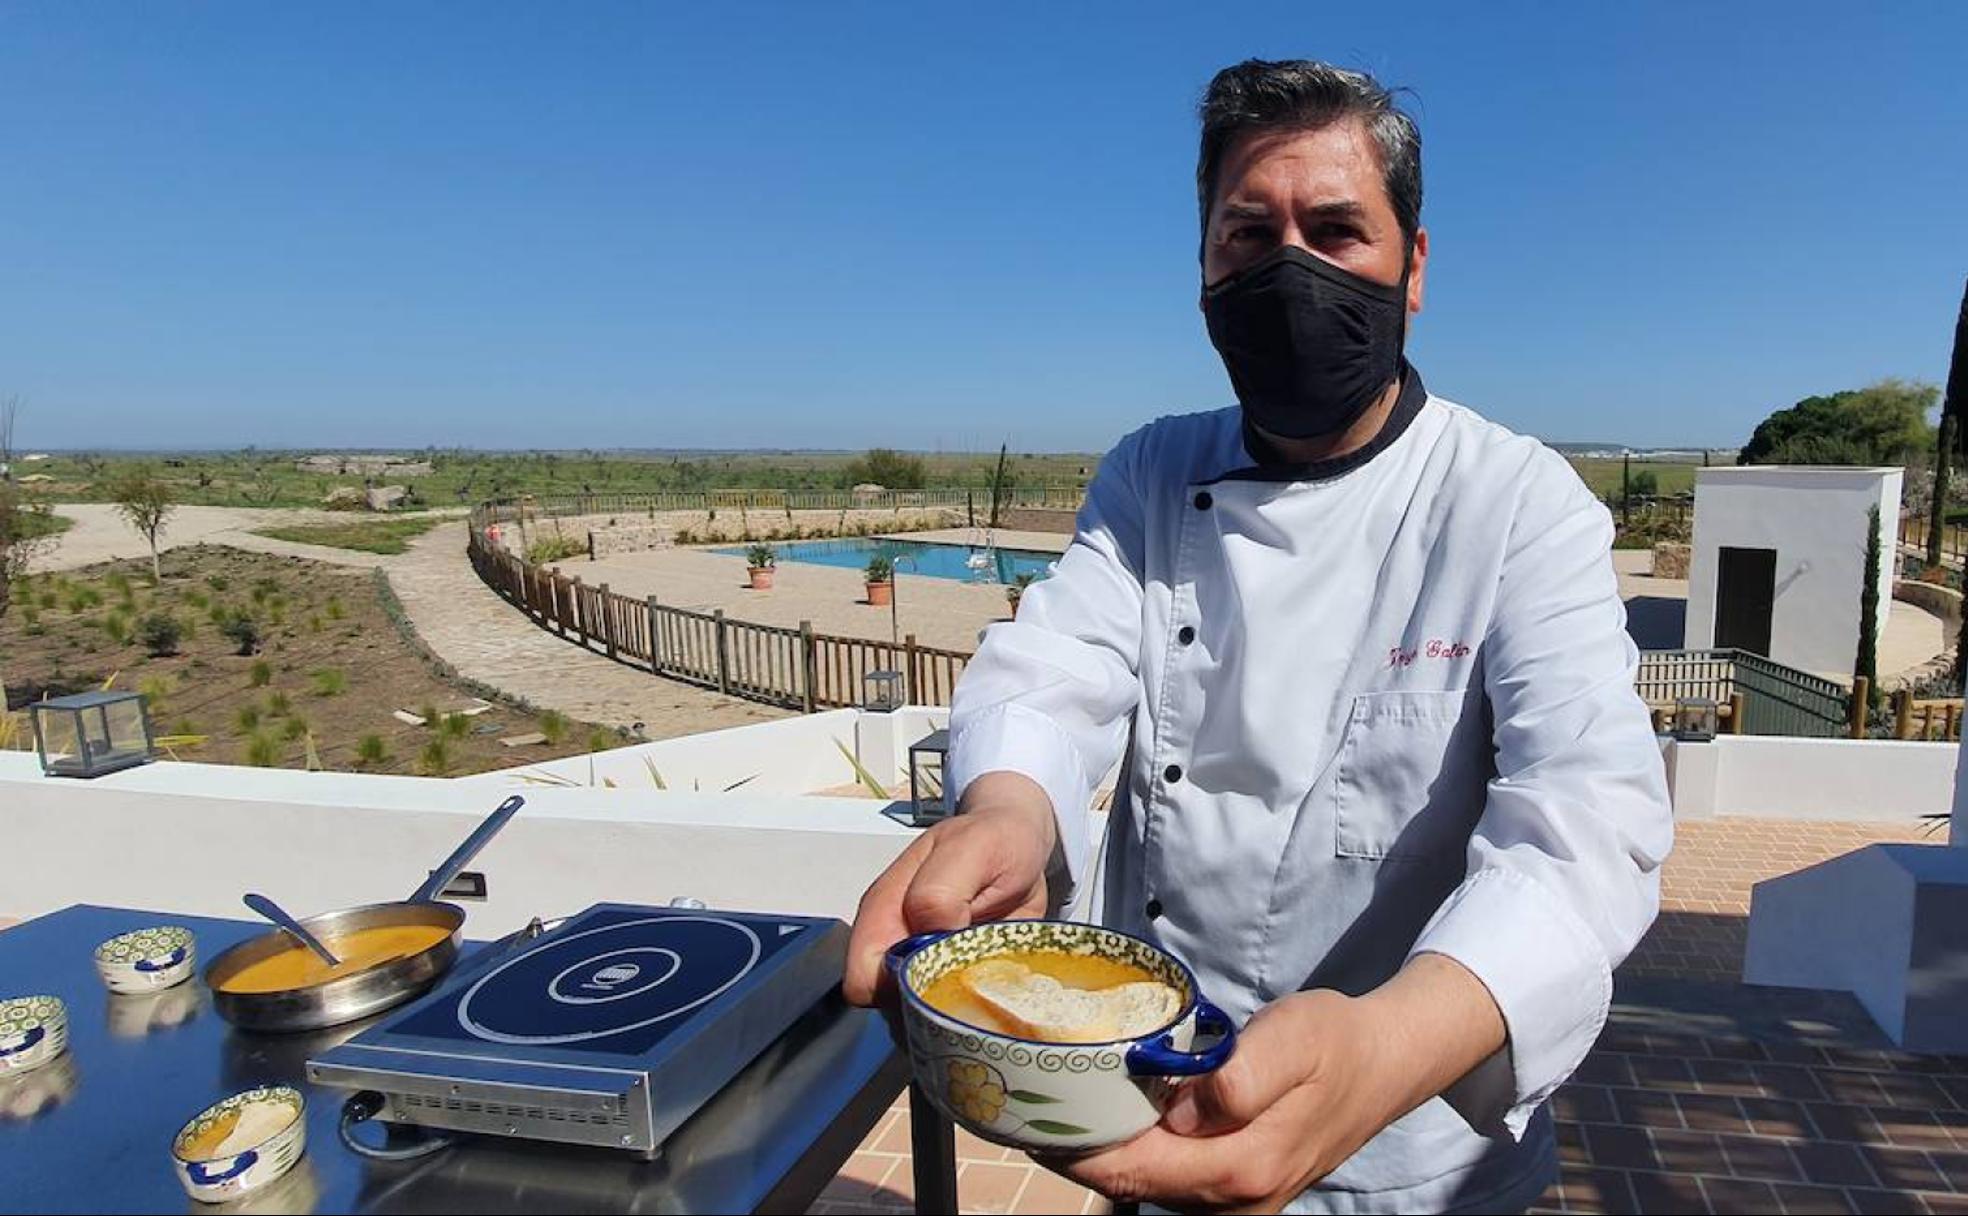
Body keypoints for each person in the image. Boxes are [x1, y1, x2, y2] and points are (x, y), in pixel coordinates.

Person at [843, 59, 1673, 1214]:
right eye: (1248, 234)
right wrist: (1007, 810)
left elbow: (1590, 824)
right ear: (1202, 269)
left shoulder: (1517, 503)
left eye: (1337, 230)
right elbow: (1054, 671)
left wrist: (1386, 1050)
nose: (1290, 270)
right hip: (1158, 1109)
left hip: (1421, 1164)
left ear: (1414, 267)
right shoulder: (1152, 468)